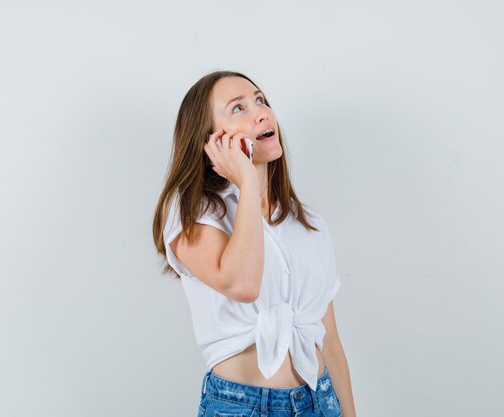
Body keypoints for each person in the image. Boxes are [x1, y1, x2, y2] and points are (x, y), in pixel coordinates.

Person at [152, 70, 356, 416]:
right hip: (242, 406)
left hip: (319, 402)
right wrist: (246, 180)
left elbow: (330, 342)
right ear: (209, 140)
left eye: (261, 100)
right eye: (238, 108)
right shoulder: (190, 212)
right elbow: (242, 283)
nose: (261, 112)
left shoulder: (310, 225)